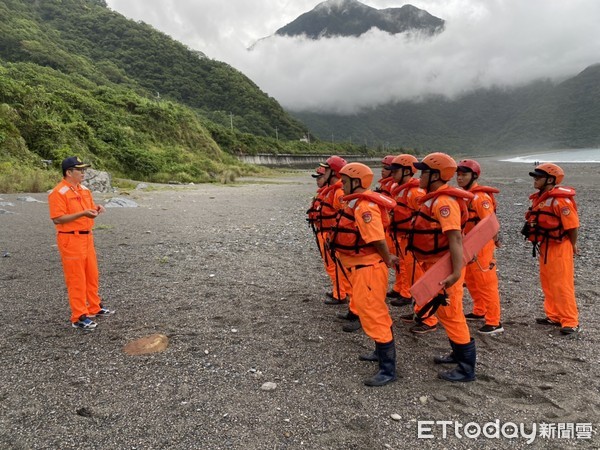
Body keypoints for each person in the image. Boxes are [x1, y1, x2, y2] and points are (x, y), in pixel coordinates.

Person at [408, 152, 476, 382]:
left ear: (435, 175)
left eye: (423, 172)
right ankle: (457, 355)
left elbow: (455, 238)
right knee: (447, 314)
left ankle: (466, 368)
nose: (419, 177)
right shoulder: (433, 199)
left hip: (445, 266)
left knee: (453, 313)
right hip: (435, 264)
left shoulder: (444, 202)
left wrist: (456, 272)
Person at [328, 163, 398, 386]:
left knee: (373, 313)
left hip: (368, 269)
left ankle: (388, 370)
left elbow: (377, 238)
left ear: (355, 182)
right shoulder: (357, 203)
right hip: (360, 269)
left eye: (345, 180)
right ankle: (380, 353)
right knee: (372, 310)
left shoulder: (364, 207)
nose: (342, 184)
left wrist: (388, 259)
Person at [48, 157, 114, 331]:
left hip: (87, 237)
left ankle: (94, 307)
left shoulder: (84, 190)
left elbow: (89, 209)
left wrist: (96, 209)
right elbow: (57, 218)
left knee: (92, 274)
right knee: (76, 278)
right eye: (80, 170)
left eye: (84, 170)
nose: (83, 173)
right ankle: (78, 316)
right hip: (70, 238)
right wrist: (83, 214)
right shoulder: (59, 192)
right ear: (69, 172)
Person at [522, 163, 580, 335]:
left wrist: (573, 244)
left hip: (560, 246)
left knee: (562, 284)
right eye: (535, 177)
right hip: (546, 245)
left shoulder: (560, 200)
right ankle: (554, 315)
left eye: (538, 177)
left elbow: (572, 226)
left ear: (550, 179)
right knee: (548, 282)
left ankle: (571, 321)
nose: (535, 180)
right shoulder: (540, 199)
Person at [387, 155, 439, 334]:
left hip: (412, 243)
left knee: (418, 279)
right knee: (411, 278)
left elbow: (424, 220)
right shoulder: (402, 190)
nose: (392, 174)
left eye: (395, 171)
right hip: (403, 240)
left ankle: (429, 319)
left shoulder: (415, 192)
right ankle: (419, 311)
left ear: (407, 171)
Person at [456, 160, 504, 334]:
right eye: (458, 175)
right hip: (469, 244)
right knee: (471, 280)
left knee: (486, 282)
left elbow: (490, 224)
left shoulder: (480, 198)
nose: (460, 178)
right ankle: (479, 309)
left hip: (481, 246)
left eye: (464, 175)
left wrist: (494, 241)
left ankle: (494, 321)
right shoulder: (465, 195)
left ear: (474, 176)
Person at [316, 156, 352, 305]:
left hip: (331, 234)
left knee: (337, 265)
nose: (324, 171)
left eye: (328, 169)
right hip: (325, 232)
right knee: (331, 265)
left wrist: (336, 236)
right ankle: (339, 291)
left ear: (334, 172)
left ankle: (342, 294)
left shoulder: (337, 192)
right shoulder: (331, 190)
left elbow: (345, 215)